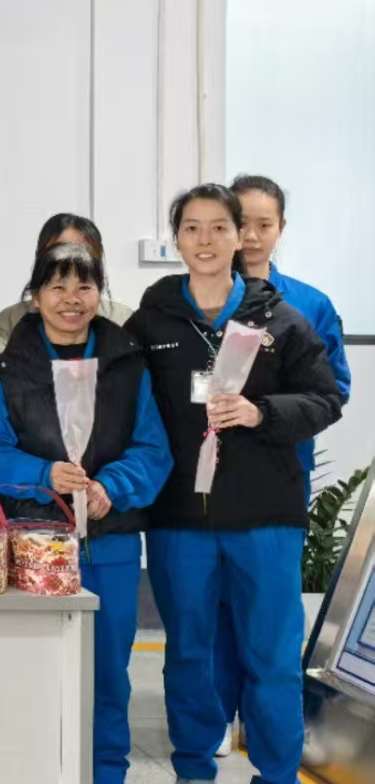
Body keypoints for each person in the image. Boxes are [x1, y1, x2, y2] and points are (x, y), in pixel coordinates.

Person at [129, 184, 342, 784]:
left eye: (219, 227)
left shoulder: (283, 320)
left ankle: (276, 774)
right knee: (189, 654)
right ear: (177, 239)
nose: (206, 240)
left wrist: (260, 412)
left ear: (238, 236)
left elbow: (325, 400)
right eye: (192, 228)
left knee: (272, 658)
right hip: (180, 519)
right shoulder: (150, 323)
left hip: (266, 517)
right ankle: (194, 770)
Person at [0, 243, 172, 784]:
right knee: (33, 671)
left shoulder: (129, 365)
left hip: (110, 546)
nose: (71, 299)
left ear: (99, 294)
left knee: (108, 673)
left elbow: (153, 447)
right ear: (35, 296)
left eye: (84, 286)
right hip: (34, 544)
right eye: (56, 286)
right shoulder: (6, 369)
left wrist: (114, 485)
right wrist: (44, 475)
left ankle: (107, 773)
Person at [211, 174, 354, 753]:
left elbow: (333, 392)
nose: (250, 236)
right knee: (214, 606)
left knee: (270, 611)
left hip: (277, 479)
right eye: (239, 223)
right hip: (206, 481)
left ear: (281, 229)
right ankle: (217, 717)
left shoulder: (309, 306)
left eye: (263, 224)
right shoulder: (200, 299)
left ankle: (267, 724)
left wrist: (264, 412)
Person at [0, 213, 134, 364]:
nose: (72, 259)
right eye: (60, 251)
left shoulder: (123, 320)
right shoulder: (7, 323)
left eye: (83, 252)